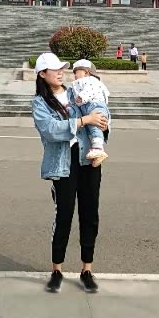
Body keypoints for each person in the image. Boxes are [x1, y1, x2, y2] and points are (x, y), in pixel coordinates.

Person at [32, 52, 109, 294]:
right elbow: (50, 130)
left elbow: (100, 108)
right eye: (54, 69)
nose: (60, 72)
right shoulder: (40, 103)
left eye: (62, 68)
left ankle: (87, 269)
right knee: (64, 215)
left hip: (88, 160)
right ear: (42, 74)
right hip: (63, 163)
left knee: (90, 214)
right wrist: (84, 120)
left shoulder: (77, 91)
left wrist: (104, 124)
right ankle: (57, 269)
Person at [72, 58, 111, 144]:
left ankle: (97, 144)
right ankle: (96, 143)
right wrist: (87, 119)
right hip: (78, 142)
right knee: (93, 127)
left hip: (95, 105)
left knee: (97, 124)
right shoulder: (72, 90)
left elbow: (90, 89)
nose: (74, 75)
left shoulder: (91, 81)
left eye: (75, 72)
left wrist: (104, 127)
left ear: (86, 73)